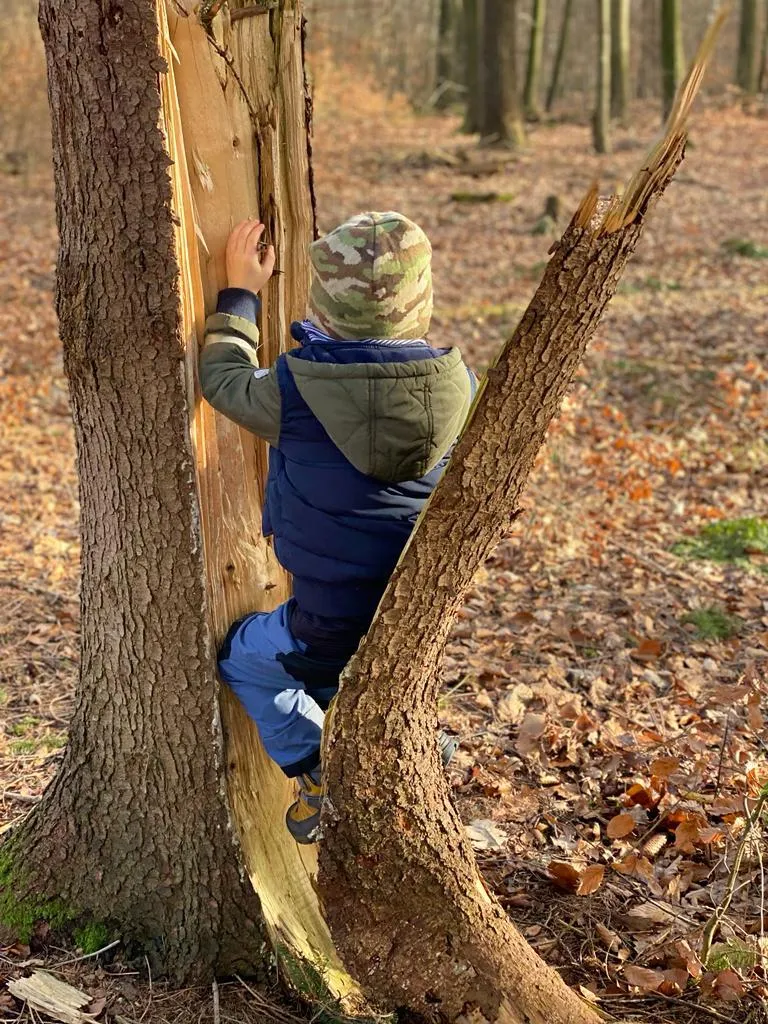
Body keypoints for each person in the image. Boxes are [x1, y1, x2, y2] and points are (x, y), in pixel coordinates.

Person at [200, 211, 474, 843]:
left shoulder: (294, 391)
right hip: (414, 618)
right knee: (370, 672)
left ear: (325, 304)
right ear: (421, 301)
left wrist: (241, 291)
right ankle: (405, 747)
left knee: (246, 658)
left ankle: (318, 766)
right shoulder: (459, 387)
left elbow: (223, 380)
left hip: (324, 622)